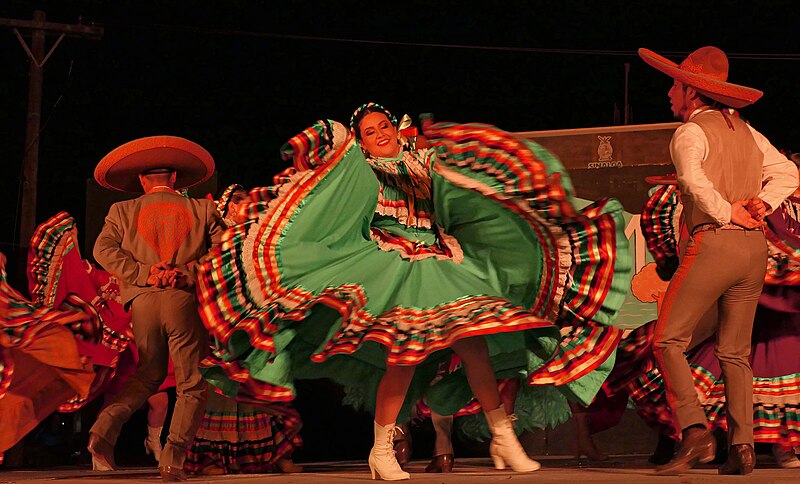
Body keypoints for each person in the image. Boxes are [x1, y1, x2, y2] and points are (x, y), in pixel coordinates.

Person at [196, 106, 632, 480]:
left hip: (442, 261)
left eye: (384, 125)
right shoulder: (362, 174)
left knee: (475, 342)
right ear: (362, 143)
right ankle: (382, 447)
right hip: (394, 267)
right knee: (402, 357)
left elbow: (465, 188)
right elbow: (334, 199)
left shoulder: (425, 162)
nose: (381, 134)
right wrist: (342, 145)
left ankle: (503, 436)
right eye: (370, 131)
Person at [638, 46, 799, 475]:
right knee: (735, 352)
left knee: (668, 338)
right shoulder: (749, 133)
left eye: (674, 85)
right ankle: (742, 448)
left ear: (691, 91)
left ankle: (694, 430)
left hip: (716, 244)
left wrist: (730, 211)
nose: (670, 93)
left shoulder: (690, 133)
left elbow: (692, 180)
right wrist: (762, 206)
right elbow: (788, 172)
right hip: (753, 251)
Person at [86, 136, 224, 482]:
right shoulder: (203, 209)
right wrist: (187, 271)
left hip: (143, 301)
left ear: (142, 182)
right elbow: (224, 252)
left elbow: (102, 250)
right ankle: (172, 459)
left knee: (149, 374)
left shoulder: (122, 210)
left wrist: (143, 273)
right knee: (191, 382)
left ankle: (101, 433)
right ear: (175, 179)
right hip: (182, 299)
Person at [185, 184, 303, 475]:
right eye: (238, 202)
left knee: (266, 383)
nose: (245, 207)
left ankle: (275, 454)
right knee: (222, 389)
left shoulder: (260, 238)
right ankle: (213, 457)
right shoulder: (215, 241)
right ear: (226, 209)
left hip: (257, 322)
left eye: (247, 201)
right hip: (224, 326)